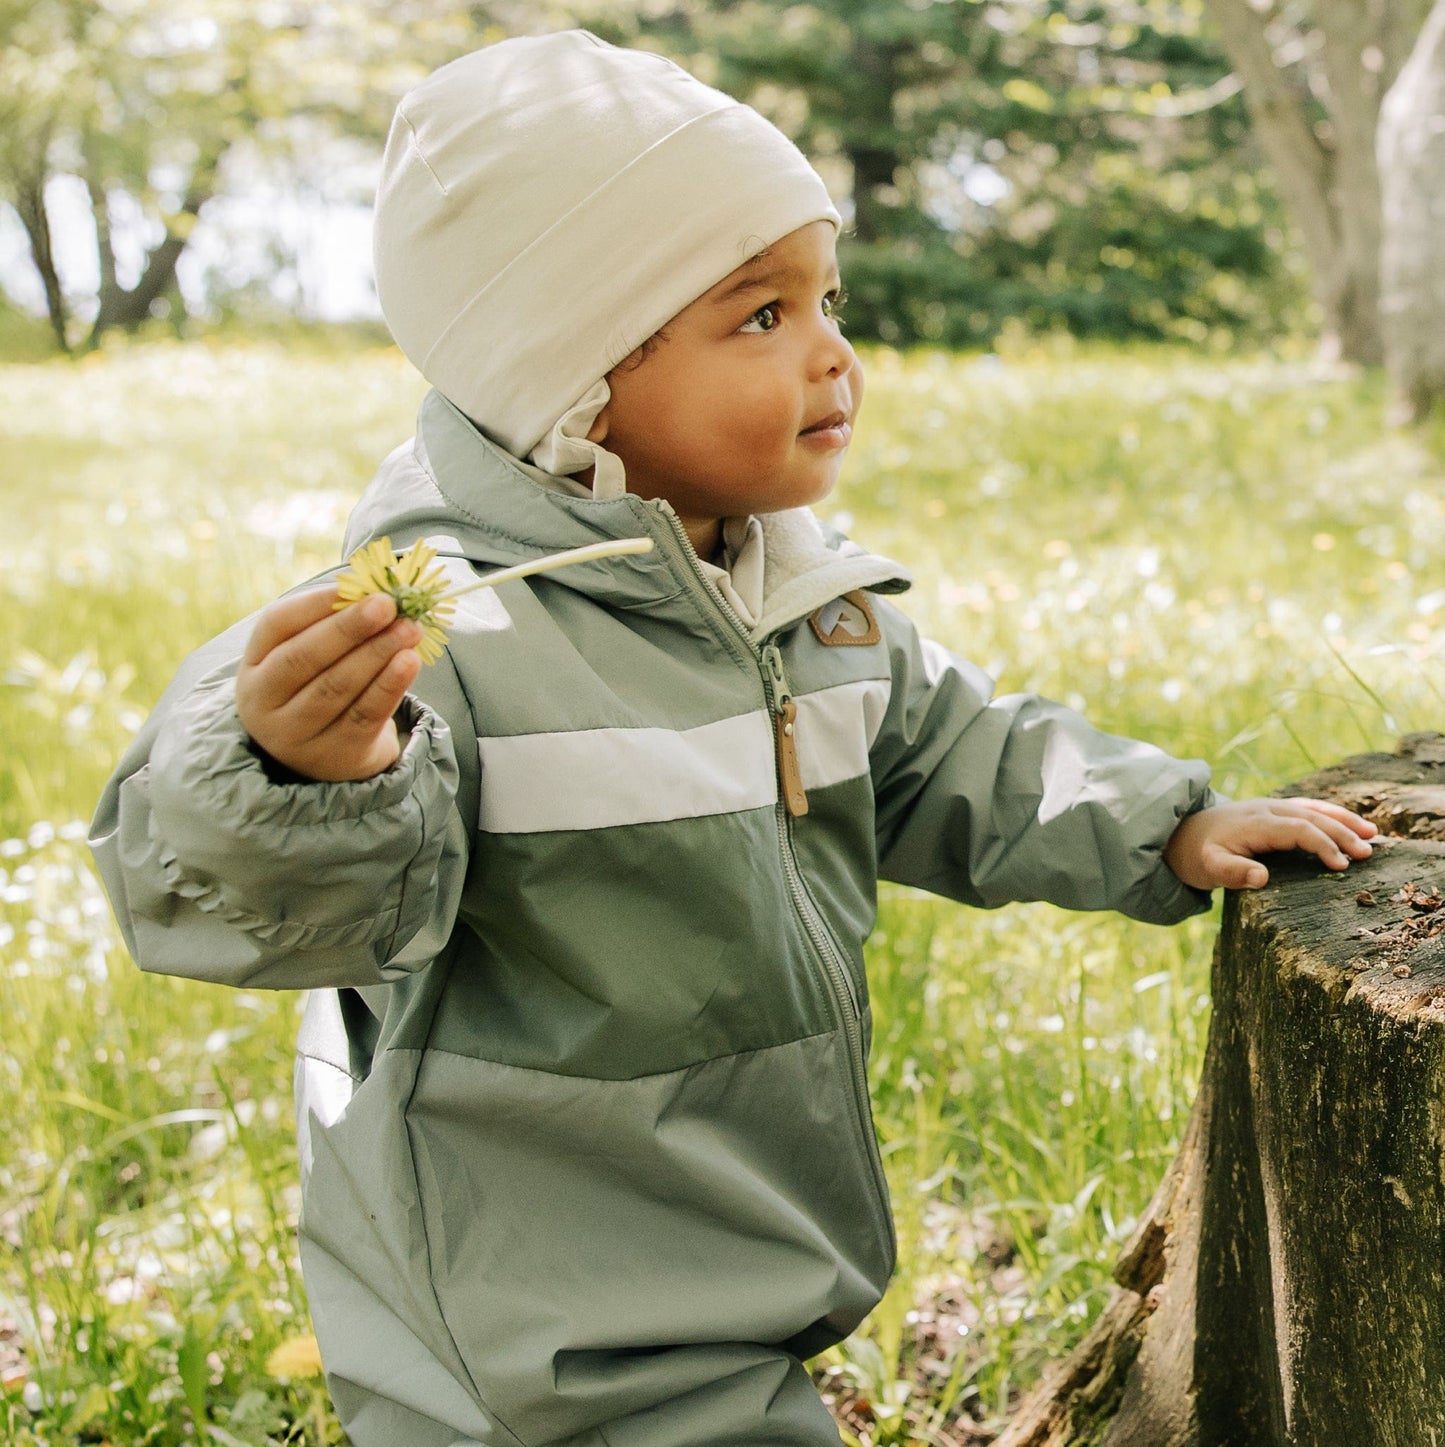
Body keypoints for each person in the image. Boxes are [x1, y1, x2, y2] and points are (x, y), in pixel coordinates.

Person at [90, 30, 1377, 1447]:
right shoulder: (446, 628)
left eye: (824, 297)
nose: (833, 353)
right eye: (757, 316)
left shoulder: (793, 594)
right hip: (535, 1302)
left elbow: (952, 752)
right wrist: (299, 774)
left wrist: (1160, 824)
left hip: (740, 1235)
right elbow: (249, 904)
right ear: (566, 379)